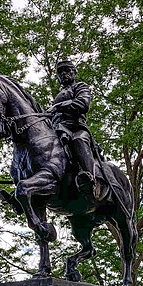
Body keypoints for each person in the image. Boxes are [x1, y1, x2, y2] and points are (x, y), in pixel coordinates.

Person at [47, 60, 99, 198]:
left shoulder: (80, 87)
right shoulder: (58, 96)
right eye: (60, 72)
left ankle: (89, 180)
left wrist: (58, 106)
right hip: (58, 129)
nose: (64, 74)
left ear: (74, 72)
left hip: (76, 127)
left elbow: (83, 103)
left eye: (67, 70)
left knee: (79, 140)